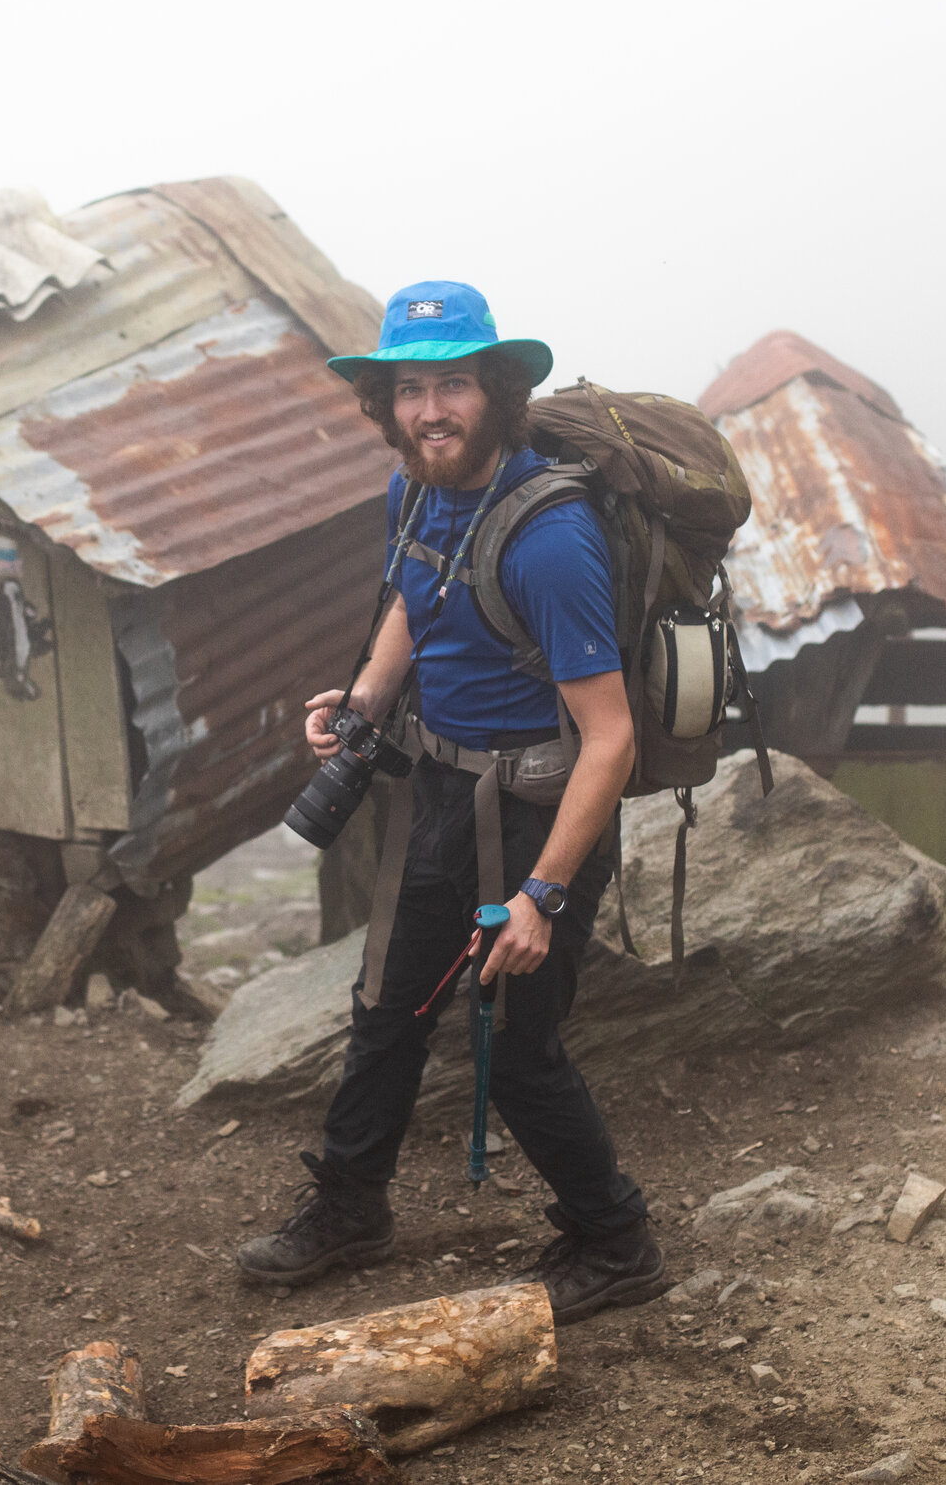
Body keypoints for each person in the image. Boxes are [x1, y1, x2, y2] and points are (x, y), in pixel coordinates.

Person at [234, 280, 667, 1323]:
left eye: (456, 384)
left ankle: (617, 1240)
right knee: (385, 1008)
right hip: (440, 789)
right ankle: (349, 1206)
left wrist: (539, 897)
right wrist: (369, 695)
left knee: (516, 1047)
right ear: (387, 404)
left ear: (498, 392)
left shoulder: (548, 538)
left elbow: (610, 738)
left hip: (533, 817)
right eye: (413, 387)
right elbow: (412, 595)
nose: (432, 408)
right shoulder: (419, 490)